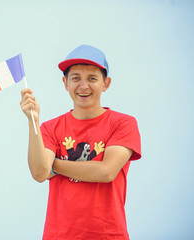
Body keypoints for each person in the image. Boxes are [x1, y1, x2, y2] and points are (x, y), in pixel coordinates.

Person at [20, 44, 141, 240]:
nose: (83, 86)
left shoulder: (123, 123)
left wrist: (53, 164)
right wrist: (33, 121)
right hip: (58, 235)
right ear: (65, 83)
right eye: (75, 78)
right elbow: (40, 173)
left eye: (92, 78)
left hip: (108, 235)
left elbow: (106, 171)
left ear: (106, 83)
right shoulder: (50, 128)